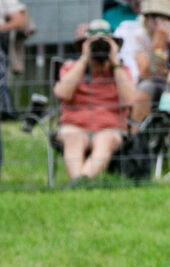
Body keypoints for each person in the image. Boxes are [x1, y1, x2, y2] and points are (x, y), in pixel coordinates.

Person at [53, 19, 134, 184]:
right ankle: (79, 181)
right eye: (94, 44)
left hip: (110, 128)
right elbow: (62, 93)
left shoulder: (122, 70)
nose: (99, 49)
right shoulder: (71, 67)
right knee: (73, 137)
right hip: (74, 125)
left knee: (105, 140)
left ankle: (81, 181)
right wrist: (84, 59)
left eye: (104, 44)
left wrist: (114, 62)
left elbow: (129, 101)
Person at [129, 0, 170, 122]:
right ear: (145, 19)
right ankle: (136, 136)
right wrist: (157, 44)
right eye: (152, 16)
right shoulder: (139, 37)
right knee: (144, 90)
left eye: (161, 17)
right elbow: (145, 72)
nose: (157, 22)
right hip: (148, 82)